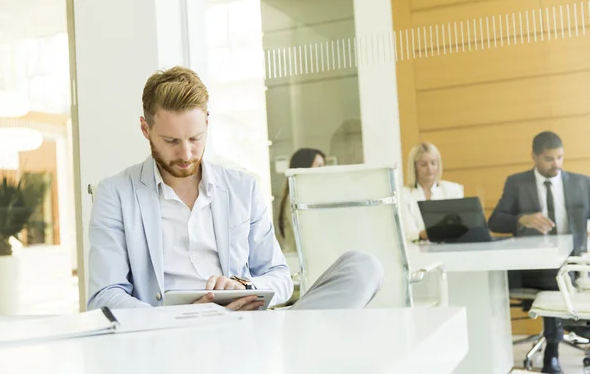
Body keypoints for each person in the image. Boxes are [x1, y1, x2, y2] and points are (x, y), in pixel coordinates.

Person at [87, 66, 384, 312]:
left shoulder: (242, 187)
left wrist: (245, 288)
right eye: (172, 142)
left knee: (363, 267)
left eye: (195, 138)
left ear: (207, 122)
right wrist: (186, 317)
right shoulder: (115, 194)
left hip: (246, 323)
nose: (187, 154)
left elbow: (279, 275)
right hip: (171, 334)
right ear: (145, 129)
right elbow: (105, 295)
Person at [488, 131, 590, 374]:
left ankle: (567, 339)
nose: (556, 164)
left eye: (560, 157)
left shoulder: (581, 182)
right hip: (532, 265)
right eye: (548, 159)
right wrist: (522, 220)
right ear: (533, 156)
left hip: (573, 262)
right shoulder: (517, 183)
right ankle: (552, 354)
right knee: (555, 276)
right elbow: (494, 222)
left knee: (560, 273)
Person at [400, 142, 464, 242]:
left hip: (449, 248)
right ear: (414, 167)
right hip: (417, 250)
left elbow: (459, 227)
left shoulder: (453, 190)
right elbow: (408, 232)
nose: (430, 168)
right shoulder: (403, 194)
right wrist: (430, 233)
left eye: (433, 163)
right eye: (423, 164)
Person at [277, 148, 325, 253]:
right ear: (304, 167)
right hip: (300, 262)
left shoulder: (310, 196)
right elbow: (309, 234)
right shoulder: (296, 198)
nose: (323, 170)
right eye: (319, 166)